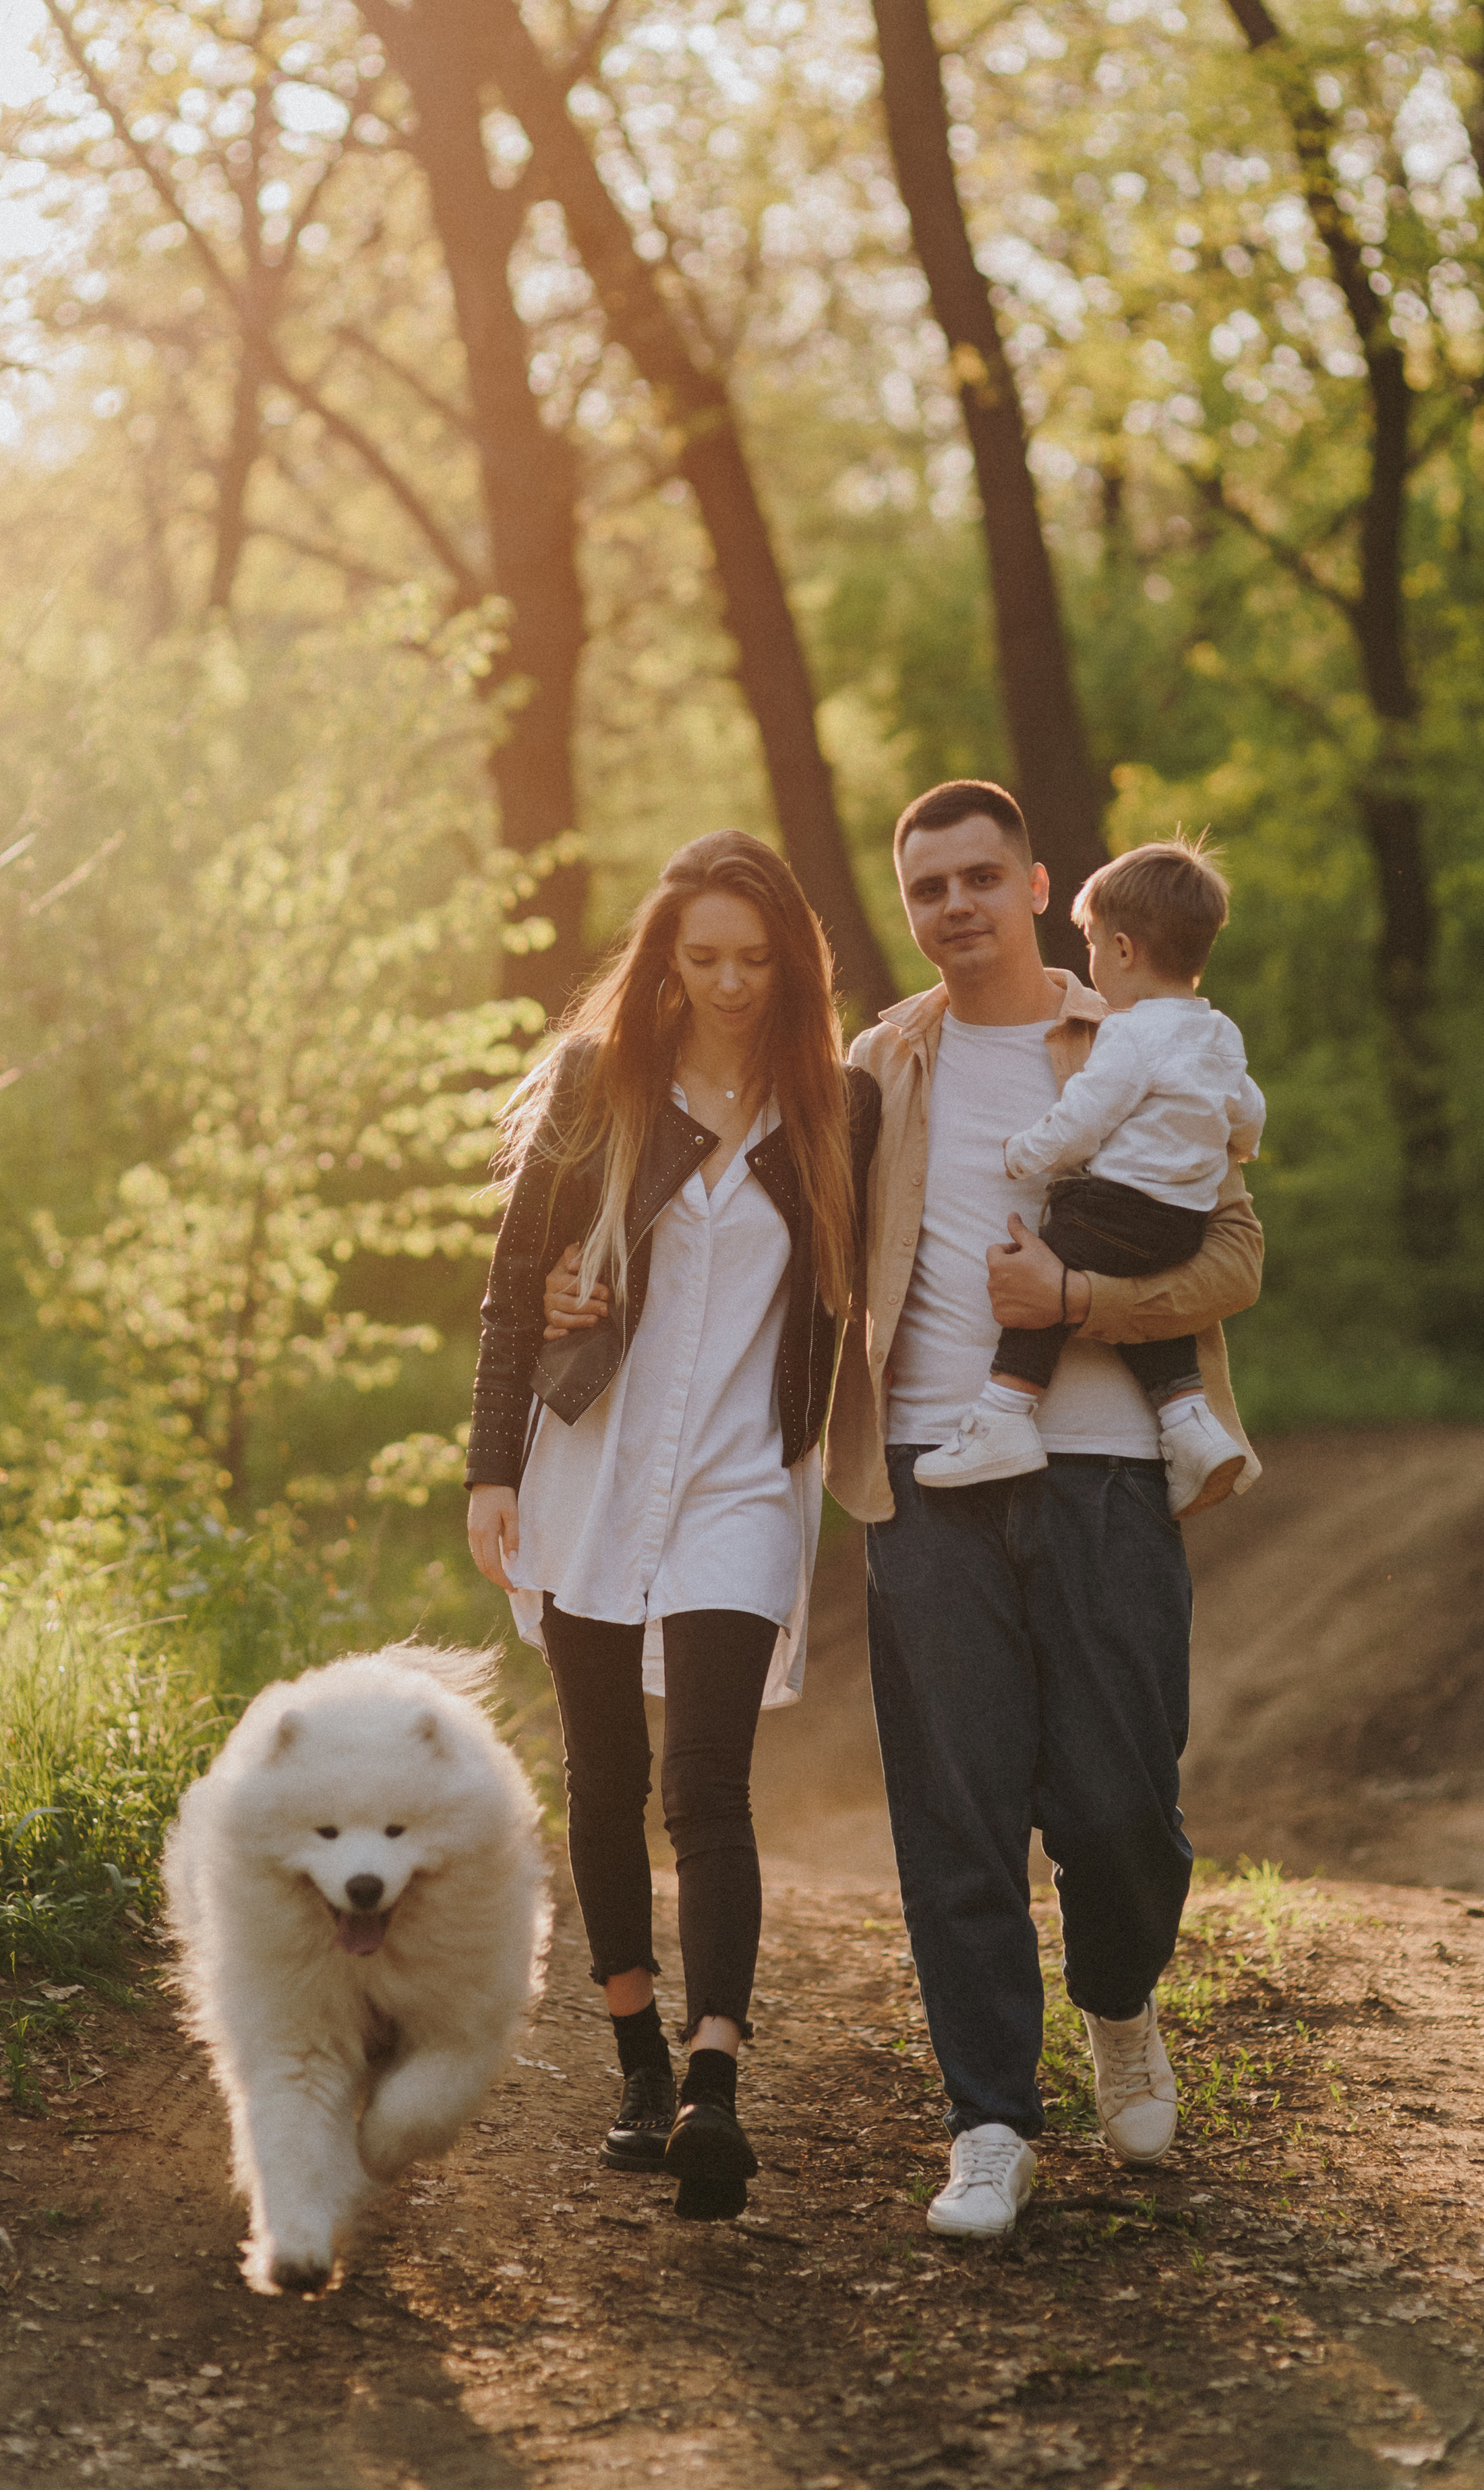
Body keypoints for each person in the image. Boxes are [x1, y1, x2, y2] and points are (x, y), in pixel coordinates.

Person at [824, 781, 1264, 2240]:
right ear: (910, 909)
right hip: (929, 1482)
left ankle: (1117, 2002)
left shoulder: (1132, 1037)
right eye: (925, 885)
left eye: (976, 876)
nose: (951, 904)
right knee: (953, 1817)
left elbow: (1233, 1261)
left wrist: (1075, 1299)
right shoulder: (880, 1065)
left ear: (1034, 886)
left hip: (1103, 1473)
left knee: (1121, 1806)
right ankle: (989, 2122)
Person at [465, 830, 880, 2223]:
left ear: (793, 963)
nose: (728, 983)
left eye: (755, 961)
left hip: (745, 1481)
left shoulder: (836, 1106)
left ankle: (713, 2080)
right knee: (601, 1778)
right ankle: (636, 2058)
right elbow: (516, 1289)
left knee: (706, 1783)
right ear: (665, 957)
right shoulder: (603, 1087)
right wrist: (490, 1470)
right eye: (702, 958)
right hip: (590, 1467)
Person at [913, 837, 1264, 1517]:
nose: (1092, 960)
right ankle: (1190, 1425)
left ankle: (1005, 1410)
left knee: (1036, 1267)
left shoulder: (1128, 1033)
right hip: (1180, 1222)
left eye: (1095, 945)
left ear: (1126, 951)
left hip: (1118, 1205)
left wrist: (1024, 1151)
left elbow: (1083, 1118)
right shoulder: (1219, 1033)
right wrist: (1239, 1147)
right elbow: (1247, 1108)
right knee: (1130, 1292)